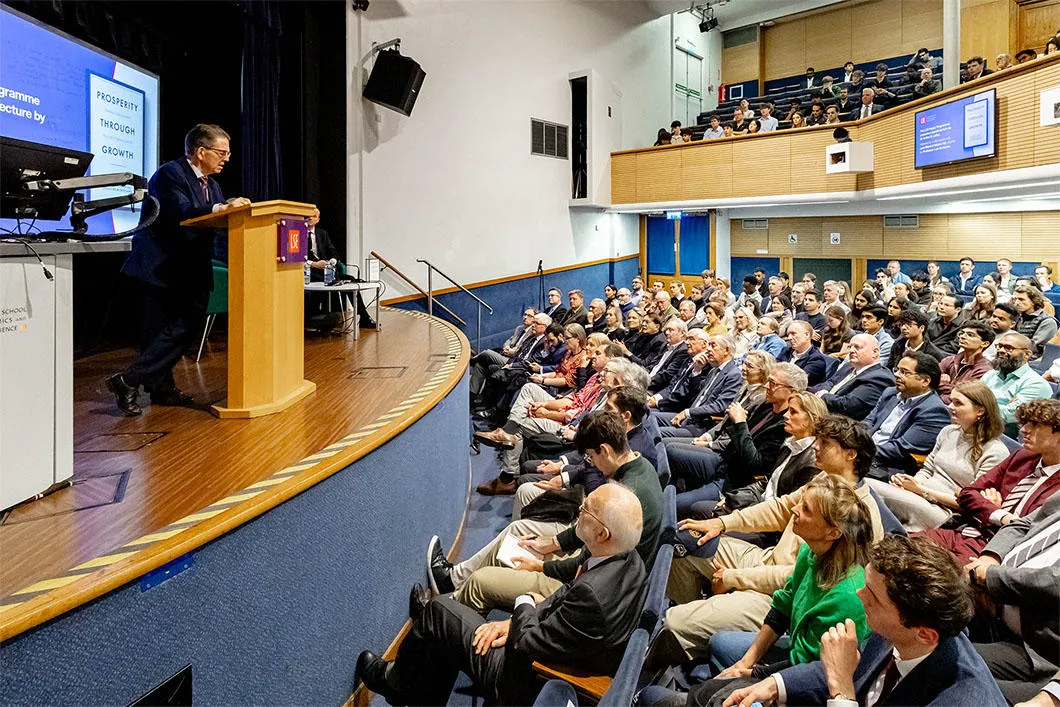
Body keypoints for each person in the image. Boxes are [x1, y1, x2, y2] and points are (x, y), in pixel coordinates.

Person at [355, 482, 647, 707]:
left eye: (587, 510)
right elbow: (561, 602)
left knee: (438, 612)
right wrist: (513, 622)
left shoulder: (592, 594)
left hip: (527, 680)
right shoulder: (630, 560)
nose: (580, 509)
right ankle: (416, 693)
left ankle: (395, 683)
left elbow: (527, 641)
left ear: (602, 534)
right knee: (448, 626)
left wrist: (524, 605)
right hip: (553, 649)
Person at [657, 415, 889, 663]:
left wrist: (735, 578)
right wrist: (723, 522)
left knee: (674, 623)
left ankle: (687, 644)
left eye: (825, 443)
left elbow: (802, 580)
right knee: (684, 542)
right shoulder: (825, 481)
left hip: (777, 592)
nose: (815, 446)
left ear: (850, 455)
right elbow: (781, 508)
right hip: (765, 560)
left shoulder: (862, 516)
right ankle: (700, 624)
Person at [644, 475, 872, 707]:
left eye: (805, 509)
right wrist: (747, 660)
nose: (794, 509)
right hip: (794, 650)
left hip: (805, 682)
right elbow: (783, 606)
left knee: (693, 697)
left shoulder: (846, 598)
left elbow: (807, 670)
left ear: (832, 533)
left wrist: (753, 675)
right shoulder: (811, 552)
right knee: (721, 643)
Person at [724, 536, 1007, 707]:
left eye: (872, 595)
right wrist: (776, 684)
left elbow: (844, 680)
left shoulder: (964, 699)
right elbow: (851, 670)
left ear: (925, 635)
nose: (859, 595)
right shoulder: (901, 629)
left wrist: (842, 694)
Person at [448, 410, 662, 613]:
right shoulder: (640, 466)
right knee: (514, 539)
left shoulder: (625, 495)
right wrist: (548, 547)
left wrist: (540, 566)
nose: (593, 465)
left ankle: (450, 608)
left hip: (585, 584)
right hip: (592, 566)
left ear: (604, 450)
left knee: (482, 580)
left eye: (591, 457)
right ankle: (454, 588)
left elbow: (585, 565)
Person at [109, 124, 252, 416]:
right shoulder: (170, 174)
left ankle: (131, 380)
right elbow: (182, 213)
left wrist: (232, 214)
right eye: (221, 152)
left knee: (188, 326)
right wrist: (223, 208)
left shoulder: (212, 185)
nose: (226, 158)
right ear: (201, 152)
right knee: (159, 331)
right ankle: (153, 387)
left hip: (192, 268)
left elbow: (212, 220)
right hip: (161, 266)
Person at [916, 397, 1060, 565]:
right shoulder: (1021, 457)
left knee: (924, 572)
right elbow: (967, 493)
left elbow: (1032, 532)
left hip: (996, 554)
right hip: (965, 532)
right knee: (899, 546)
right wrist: (1000, 514)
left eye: (1035, 425)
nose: (1023, 430)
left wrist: (993, 512)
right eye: (1025, 423)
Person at [663, 363, 807, 514]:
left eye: (773, 383)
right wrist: (714, 441)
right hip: (724, 461)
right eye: (768, 381)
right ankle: (675, 489)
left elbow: (755, 464)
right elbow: (731, 431)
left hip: (733, 480)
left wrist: (740, 423)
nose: (767, 387)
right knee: (670, 450)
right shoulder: (764, 405)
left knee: (673, 503)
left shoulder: (785, 426)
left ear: (792, 391)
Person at [869, 380, 1008, 532]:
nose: (950, 407)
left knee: (868, 487)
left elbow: (973, 502)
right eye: (951, 401)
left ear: (980, 411)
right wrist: (909, 483)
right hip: (920, 495)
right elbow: (927, 469)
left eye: (958, 403)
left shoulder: (995, 451)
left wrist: (922, 491)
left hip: (946, 513)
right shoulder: (948, 431)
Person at [966, 493, 1060, 704]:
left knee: (947, 666)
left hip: (1038, 649)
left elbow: (1054, 582)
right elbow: (1022, 524)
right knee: (915, 610)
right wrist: (989, 559)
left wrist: (989, 577)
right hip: (993, 609)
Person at [863, 351, 951, 480]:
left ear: (925, 381)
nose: (897, 375)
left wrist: (859, 450)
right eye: (897, 370)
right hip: (866, 452)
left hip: (888, 466)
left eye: (904, 372)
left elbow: (900, 449)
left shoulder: (934, 411)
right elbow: (868, 422)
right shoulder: (890, 393)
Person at [303, 208, 377, 330]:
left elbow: (334, 253)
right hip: (310, 272)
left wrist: (331, 262)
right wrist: (315, 264)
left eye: (313, 216)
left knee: (351, 280)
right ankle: (317, 320)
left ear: (318, 219)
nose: (310, 218)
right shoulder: (297, 233)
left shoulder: (322, 234)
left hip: (327, 271)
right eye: (308, 216)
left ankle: (364, 318)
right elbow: (296, 259)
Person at [982, 333, 1054, 436]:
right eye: (999, 346)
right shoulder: (990, 374)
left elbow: (1007, 415)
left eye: (1009, 348)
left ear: (1027, 354)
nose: (1001, 351)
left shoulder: (1036, 384)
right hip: (979, 427)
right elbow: (971, 398)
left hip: (1005, 436)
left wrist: (978, 405)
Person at [814, 334, 895, 421]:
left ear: (875, 352)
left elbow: (848, 405)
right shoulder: (849, 366)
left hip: (839, 423)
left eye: (857, 347)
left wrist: (823, 396)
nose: (851, 350)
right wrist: (823, 392)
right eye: (850, 347)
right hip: (822, 410)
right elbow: (830, 382)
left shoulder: (880, 377)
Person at [937, 319, 996, 402]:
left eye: (970, 335)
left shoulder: (984, 370)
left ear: (984, 343)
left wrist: (942, 384)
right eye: (962, 333)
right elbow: (929, 380)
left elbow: (964, 397)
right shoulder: (950, 360)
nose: (962, 336)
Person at [778, 320, 829, 386]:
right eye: (788, 334)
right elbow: (773, 368)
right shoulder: (786, 351)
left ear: (807, 335)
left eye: (793, 333)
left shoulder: (817, 360)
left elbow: (797, 382)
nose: (789, 338)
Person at [1012, 285, 1059, 357]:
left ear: (1033, 301)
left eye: (1021, 299)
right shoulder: (1017, 316)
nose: (1017, 302)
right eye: (1015, 299)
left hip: (1033, 359)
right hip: (1014, 353)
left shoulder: (1048, 322)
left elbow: (1033, 346)